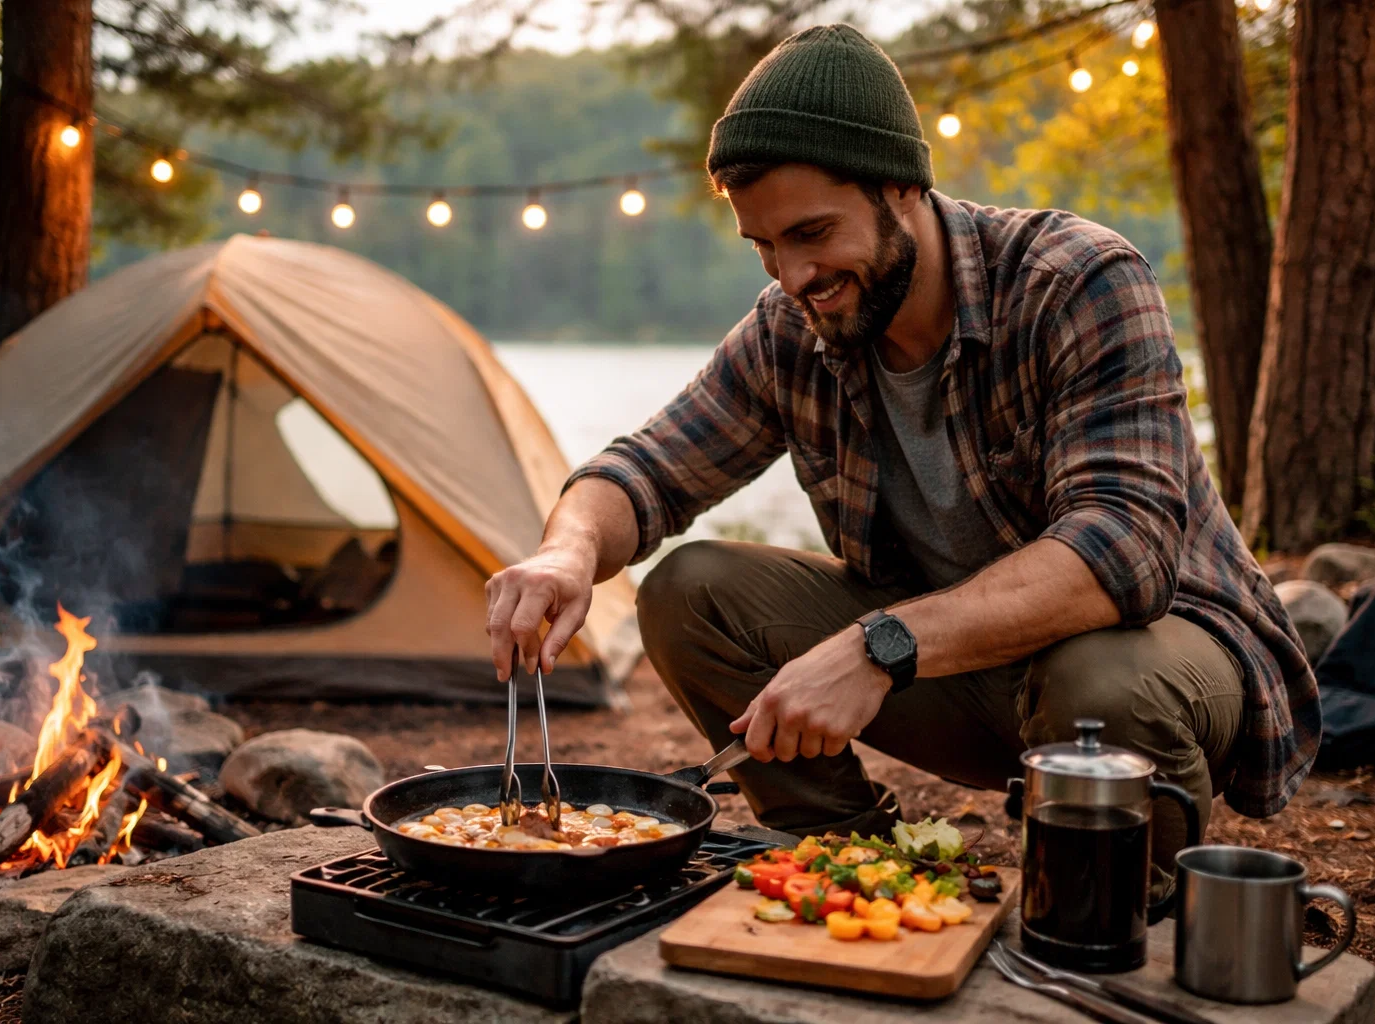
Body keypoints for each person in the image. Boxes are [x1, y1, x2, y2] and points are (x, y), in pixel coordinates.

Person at [483, 23, 1320, 889]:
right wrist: (566, 552)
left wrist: (879, 646)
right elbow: (646, 469)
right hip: (962, 673)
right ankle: (850, 869)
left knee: (1099, 682)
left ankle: (1111, 909)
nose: (793, 275)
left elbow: (1123, 551)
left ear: (903, 186)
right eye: (766, 246)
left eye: (812, 232)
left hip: (1152, 662)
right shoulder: (793, 327)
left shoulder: (1079, 280)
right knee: (688, 591)